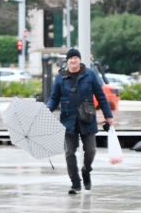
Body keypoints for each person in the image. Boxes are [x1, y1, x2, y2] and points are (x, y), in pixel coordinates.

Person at [46, 48, 114, 195]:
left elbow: (101, 96)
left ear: (80, 59)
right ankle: (75, 183)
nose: (73, 60)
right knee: (69, 153)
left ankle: (86, 171)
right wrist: (46, 110)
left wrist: (108, 115)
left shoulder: (89, 74)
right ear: (67, 60)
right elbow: (54, 98)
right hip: (68, 120)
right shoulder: (60, 77)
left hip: (87, 118)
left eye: (75, 57)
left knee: (91, 151)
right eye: (71, 58)